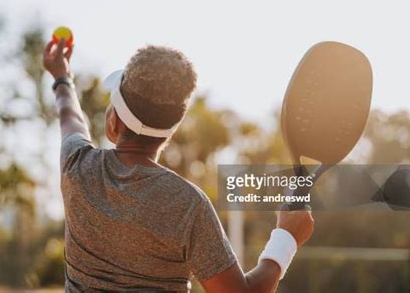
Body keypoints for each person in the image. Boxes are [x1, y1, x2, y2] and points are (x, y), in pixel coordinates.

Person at [43, 39, 314, 293]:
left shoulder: (77, 166)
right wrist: (286, 236)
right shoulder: (188, 204)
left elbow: (69, 114)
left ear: (114, 122)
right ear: (169, 132)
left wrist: (61, 76)